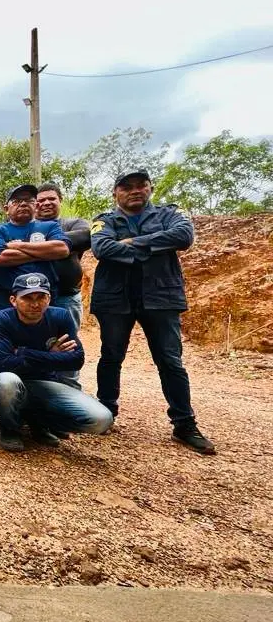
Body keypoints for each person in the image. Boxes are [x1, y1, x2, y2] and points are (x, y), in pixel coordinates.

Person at [91, 169, 214, 455]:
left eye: (141, 186)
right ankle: (105, 413)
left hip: (160, 297)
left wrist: (133, 243)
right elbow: (102, 247)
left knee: (170, 360)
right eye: (127, 187)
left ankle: (184, 423)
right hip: (115, 299)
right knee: (111, 356)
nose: (135, 191)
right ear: (115, 193)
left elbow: (183, 236)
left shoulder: (170, 214)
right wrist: (158, 243)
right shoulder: (104, 220)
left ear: (150, 189)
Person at [0, 273, 113, 452]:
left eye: (41, 297)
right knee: (6, 381)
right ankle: (9, 428)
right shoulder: (0, 320)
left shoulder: (60, 316)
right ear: (13, 300)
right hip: (10, 382)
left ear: (49, 298)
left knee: (102, 420)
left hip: (46, 384)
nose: (35, 304)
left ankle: (39, 422)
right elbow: (4, 364)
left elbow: (76, 360)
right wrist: (51, 355)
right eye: (27, 298)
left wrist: (25, 353)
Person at [34, 182, 91, 388]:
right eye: (41, 200)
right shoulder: (28, 228)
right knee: (34, 343)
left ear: (60, 200)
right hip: (33, 299)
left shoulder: (73, 223)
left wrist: (36, 243)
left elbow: (85, 237)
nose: (46, 203)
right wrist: (58, 246)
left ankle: (69, 388)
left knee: (68, 343)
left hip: (67, 297)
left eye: (52, 199)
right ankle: (40, 390)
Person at [0, 184, 70, 315]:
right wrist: (45, 253)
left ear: (36, 206)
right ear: (7, 209)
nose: (23, 204)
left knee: (49, 335)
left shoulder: (51, 226)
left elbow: (62, 250)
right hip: (5, 299)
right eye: (17, 201)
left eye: (29, 200)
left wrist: (16, 246)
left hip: (45, 298)